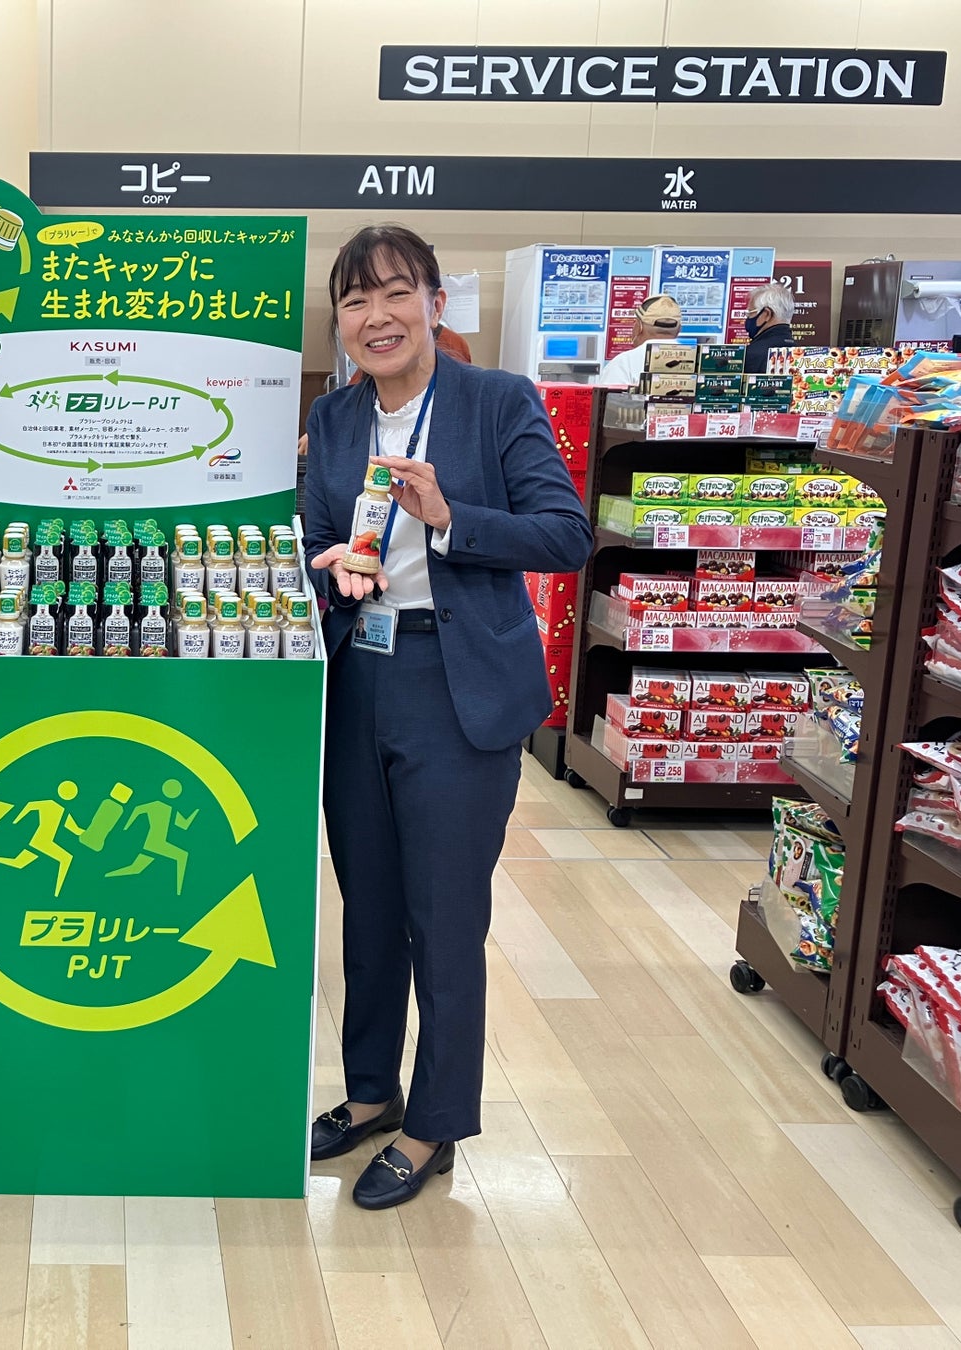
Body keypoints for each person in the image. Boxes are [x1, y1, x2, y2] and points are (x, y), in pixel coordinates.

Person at [302, 225, 592, 1211]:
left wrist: (450, 518)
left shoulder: (495, 402)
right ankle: (371, 1091)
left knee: (446, 916)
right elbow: (317, 530)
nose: (375, 317)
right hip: (359, 676)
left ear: (433, 302)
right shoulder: (337, 416)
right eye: (354, 301)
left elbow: (564, 535)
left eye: (394, 293)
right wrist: (332, 569)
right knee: (368, 903)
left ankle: (434, 1122)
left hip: (457, 683)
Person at [596, 293, 682, 387]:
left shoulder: (624, 363)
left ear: (639, 327)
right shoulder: (691, 359)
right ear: (679, 330)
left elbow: (607, 395)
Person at [744, 282, 798, 373]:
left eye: (750, 313)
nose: (748, 318)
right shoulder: (801, 355)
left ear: (766, 314)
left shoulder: (748, 356)